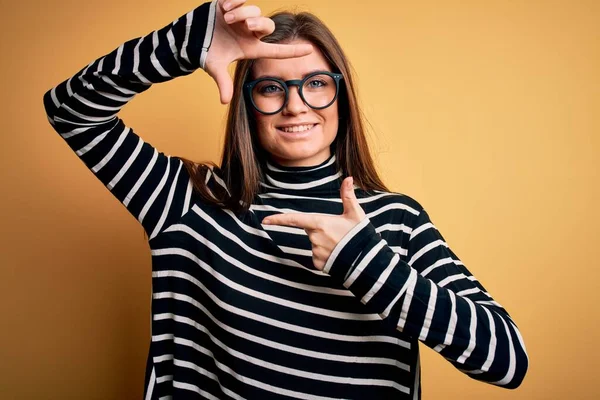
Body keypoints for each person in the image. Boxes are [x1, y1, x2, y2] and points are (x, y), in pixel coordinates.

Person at [43, 0, 529, 398]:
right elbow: (70, 110)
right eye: (272, 87)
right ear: (246, 103)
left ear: (341, 95)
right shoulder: (187, 201)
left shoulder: (395, 219)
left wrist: (365, 262)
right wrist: (186, 43)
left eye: (316, 83)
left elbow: (507, 361)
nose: (296, 104)